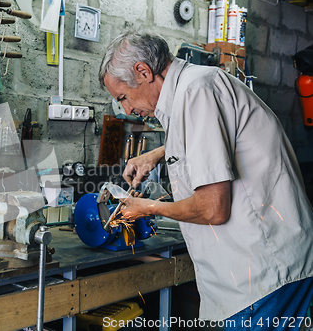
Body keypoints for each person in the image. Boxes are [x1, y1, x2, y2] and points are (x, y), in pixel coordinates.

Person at [99, 30, 313, 330]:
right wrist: (158, 154)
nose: (126, 109)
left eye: (123, 97)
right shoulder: (195, 86)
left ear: (144, 72)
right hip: (266, 272)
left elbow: (213, 208)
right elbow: (219, 138)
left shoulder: (196, 92)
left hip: (264, 278)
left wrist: (146, 207)